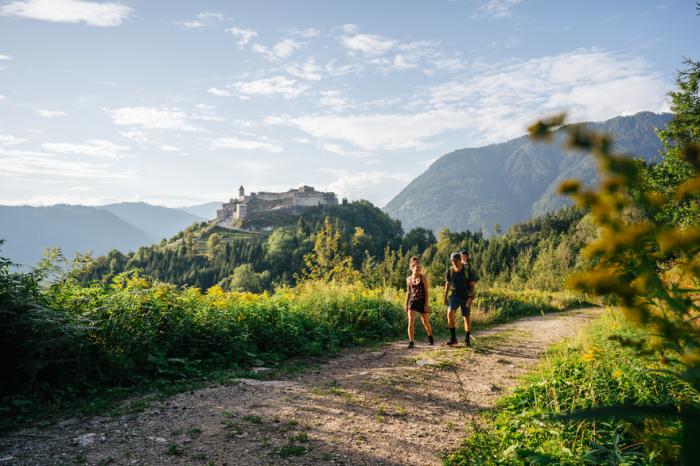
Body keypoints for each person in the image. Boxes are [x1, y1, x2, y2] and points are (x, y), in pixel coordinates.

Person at [444, 252, 477, 346]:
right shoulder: (450, 270)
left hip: (466, 296)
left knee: (466, 317)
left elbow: (472, 285)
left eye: (455, 261)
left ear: (460, 261)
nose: (453, 262)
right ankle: (453, 338)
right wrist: (445, 296)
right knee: (449, 313)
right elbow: (448, 283)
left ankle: (467, 339)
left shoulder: (467, 271)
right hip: (454, 296)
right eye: (452, 260)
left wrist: (470, 298)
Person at [404, 256, 433, 348]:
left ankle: (430, 336)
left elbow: (426, 292)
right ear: (412, 268)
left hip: (422, 302)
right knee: (411, 322)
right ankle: (411, 341)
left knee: (425, 322)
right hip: (412, 302)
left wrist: (426, 305)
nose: (418, 269)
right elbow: (408, 292)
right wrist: (406, 304)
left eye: (419, 268)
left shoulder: (423, 278)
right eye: (416, 268)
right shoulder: (408, 279)